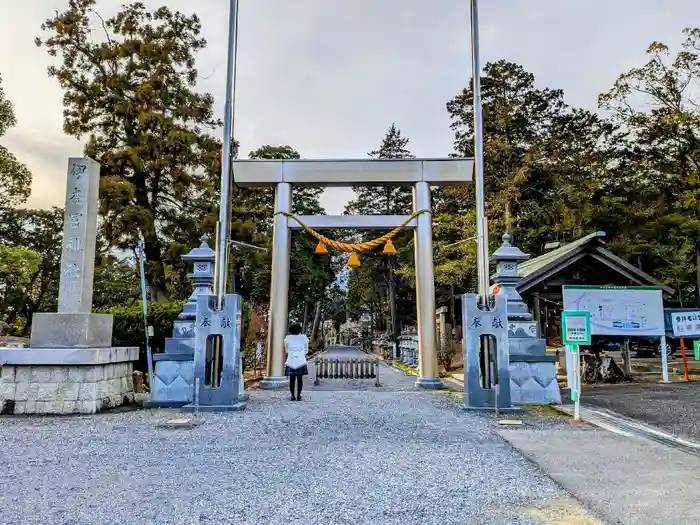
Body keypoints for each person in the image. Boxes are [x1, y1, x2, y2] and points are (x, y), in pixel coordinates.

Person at [284, 322, 309, 401]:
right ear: (299, 330)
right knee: (300, 379)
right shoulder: (304, 337)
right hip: (301, 360)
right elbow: (306, 351)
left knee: (292, 379)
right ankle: (298, 395)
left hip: (291, 360)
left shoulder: (287, 338)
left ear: (290, 330)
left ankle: (292, 396)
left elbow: (287, 350)